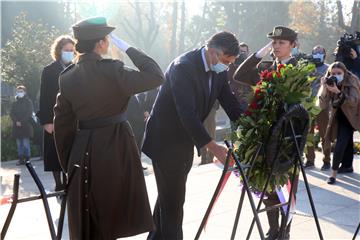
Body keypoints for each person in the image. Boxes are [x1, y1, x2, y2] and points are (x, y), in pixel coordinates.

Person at [53, 17, 165, 239]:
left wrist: (68, 163)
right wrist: (128, 47)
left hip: (82, 149)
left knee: (92, 214)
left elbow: (62, 125)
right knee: (113, 211)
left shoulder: (67, 77)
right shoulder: (113, 70)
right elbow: (156, 75)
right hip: (116, 144)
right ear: (102, 43)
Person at [142, 31, 243, 239]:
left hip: (184, 140)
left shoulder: (220, 71)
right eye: (225, 60)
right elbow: (186, 113)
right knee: (174, 202)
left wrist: (250, 125)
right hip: (166, 140)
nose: (227, 66)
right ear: (211, 51)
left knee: (169, 196)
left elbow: (230, 104)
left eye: (231, 62)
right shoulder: (183, 67)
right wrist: (213, 147)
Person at [234, 26, 298, 240]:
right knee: (267, 185)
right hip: (265, 135)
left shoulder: (299, 69)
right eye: (274, 42)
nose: (277, 46)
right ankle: (273, 229)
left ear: (292, 45)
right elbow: (239, 74)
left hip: (287, 138)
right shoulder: (267, 67)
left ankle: (285, 230)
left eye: (282, 42)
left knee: (286, 187)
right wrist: (260, 53)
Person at [37, 35, 75, 191]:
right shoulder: (49, 70)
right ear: (59, 50)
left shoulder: (75, 68)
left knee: (70, 150)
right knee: (54, 151)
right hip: (53, 118)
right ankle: (58, 184)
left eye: (72, 50)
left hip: (72, 117)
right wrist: (46, 121)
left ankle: (69, 181)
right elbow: (44, 97)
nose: (70, 53)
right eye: (67, 50)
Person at [318, 62, 360, 184]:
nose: (336, 75)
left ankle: (333, 174)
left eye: (339, 73)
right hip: (339, 115)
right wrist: (324, 88)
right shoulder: (330, 81)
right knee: (347, 140)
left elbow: (353, 102)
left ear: (345, 73)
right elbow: (322, 104)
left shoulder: (352, 81)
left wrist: (337, 91)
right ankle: (347, 166)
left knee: (340, 143)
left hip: (353, 115)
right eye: (333, 73)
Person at [304, 45, 331, 170]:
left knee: (324, 133)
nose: (318, 54)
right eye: (315, 52)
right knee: (308, 134)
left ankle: (326, 160)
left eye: (320, 52)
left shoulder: (328, 68)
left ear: (324, 54)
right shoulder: (307, 67)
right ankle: (309, 159)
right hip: (308, 105)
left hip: (322, 105)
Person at [10, 85, 34, 165]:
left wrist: (21, 122)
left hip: (25, 126)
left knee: (25, 144)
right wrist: (16, 121)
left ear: (25, 92)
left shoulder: (28, 102)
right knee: (19, 145)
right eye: (18, 91)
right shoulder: (14, 103)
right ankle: (20, 159)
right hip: (16, 127)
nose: (20, 93)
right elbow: (11, 113)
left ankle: (27, 159)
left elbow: (29, 113)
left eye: (21, 91)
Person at [228, 42, 251, 109]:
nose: (242, 54)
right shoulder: (232, 64)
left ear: (248, 52)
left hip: (248, 98)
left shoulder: (252, 64)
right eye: (241, 52)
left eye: (244, 52)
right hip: (236, 98)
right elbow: (228, 79)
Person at [199, 101, 219, 165]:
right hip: (199, 109)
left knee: (211, 133)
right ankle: (203, 158)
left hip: (210, 108)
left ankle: (210, 158)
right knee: (201, 133)